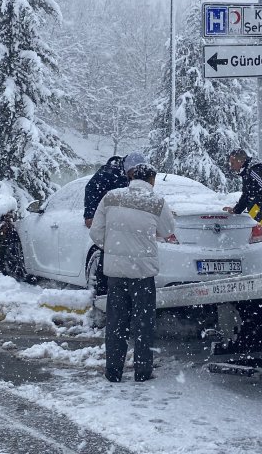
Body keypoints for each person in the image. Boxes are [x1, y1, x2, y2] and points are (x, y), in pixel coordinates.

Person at [89, 163, 176, 383]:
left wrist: (113, 250)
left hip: (116, 274)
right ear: (152, 180)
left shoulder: (111, 197)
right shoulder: (156, 202)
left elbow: (96, 232)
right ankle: (143, 372)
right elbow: (167, 230)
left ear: (131, 177)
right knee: (144, 324)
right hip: (143, 275)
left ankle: (114, 372)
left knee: (116, 324)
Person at [83, 153, 141, 228]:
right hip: (102, 215)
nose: (135, 175)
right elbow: (91, 189)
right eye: (134, 172)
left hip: (121, 217)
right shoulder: (108, 172)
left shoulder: (134, 177)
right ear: (128, 167)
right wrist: (89, 215)